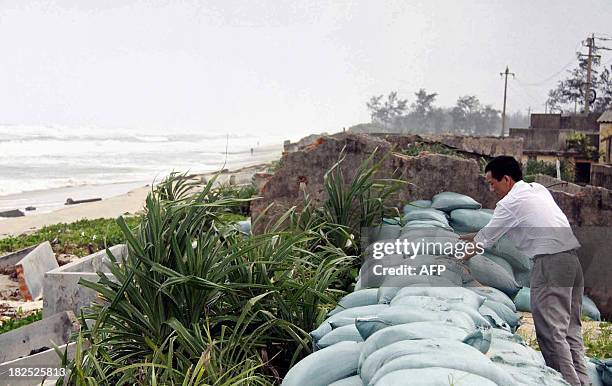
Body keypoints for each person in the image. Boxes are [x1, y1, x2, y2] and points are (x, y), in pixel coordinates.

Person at [460, 155, 588, 386]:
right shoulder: (536, 190)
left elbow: (484, 241)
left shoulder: (509, 204)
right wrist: (462, 237)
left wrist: (453, 258)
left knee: (551, 332)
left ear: (506, 180)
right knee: (570, 331)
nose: (491, 189)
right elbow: (490, 232)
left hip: (550, 265)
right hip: (571, 261)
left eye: (492, 182)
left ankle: (567, 383)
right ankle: (583, 381)